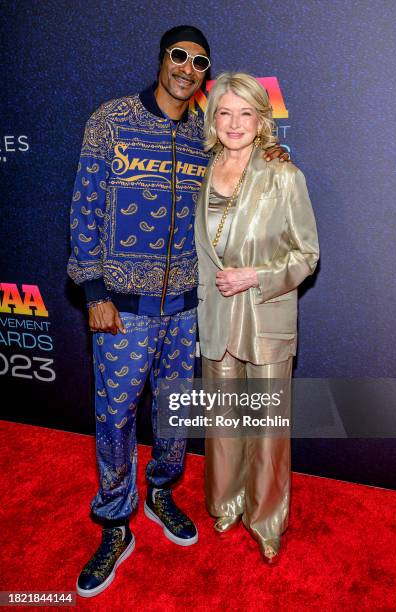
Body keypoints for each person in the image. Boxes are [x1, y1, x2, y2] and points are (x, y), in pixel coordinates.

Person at [68, 27, 289, 596]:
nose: (189, 67)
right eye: (180, 56)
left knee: (172, 414)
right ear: (162, 58)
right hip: (122, 307)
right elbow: (84, 208)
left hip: (189, 308)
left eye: (200, 62)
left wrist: (271, 153)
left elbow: (245, 168)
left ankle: (163, 491)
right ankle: (115, 520)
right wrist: (93, 292)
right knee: (115, 417)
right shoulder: (110, 120)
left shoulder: (206, 134)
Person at [195, 72, 319, 562]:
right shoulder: (200, 170)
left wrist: (254, 276)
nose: (234, 122)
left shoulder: (283, 173)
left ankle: (268, 518)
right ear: (212, 119)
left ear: (262, 120)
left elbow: (306, 254)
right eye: (224, 112)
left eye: (246, 112)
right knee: (223, 419)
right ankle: (226, 503)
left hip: (265, 313)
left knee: (266, 426)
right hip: (217, 316)